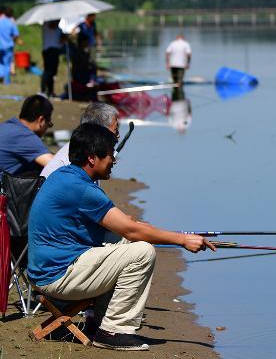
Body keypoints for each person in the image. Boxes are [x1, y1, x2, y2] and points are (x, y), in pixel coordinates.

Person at [27, 123, 216, 351]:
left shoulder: (66, 175)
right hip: (56, 276)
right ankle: (112, 331)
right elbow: (130, 229)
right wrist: (182, 239)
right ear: (92, 158)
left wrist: (138, 229)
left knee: (132, 242)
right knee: (142, 252)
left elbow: (123, 226)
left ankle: (100, 321)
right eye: (109, 155)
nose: (114, 161)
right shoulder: (82, 188)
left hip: (48, 269)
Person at [41, 102, 119, 179]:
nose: (118, 135)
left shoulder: (82, 147)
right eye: (116, 129)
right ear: (99, 130)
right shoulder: (82, 157)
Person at [0, 95, 54, 176]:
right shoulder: (25, 136)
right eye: (49, 124)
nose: (48, 127)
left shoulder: (7, 126)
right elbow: (56, 166)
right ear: (41, 120)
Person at [41, 20, 64, 97]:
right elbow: (52, 25)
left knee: (53, 73)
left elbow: (61, 41)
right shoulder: (46, 24)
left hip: (56, 51)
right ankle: (43, 90)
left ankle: (50, 91)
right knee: (48, 71)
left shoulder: (59, 30)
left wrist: (66, 36)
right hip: (48, 50)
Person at [165, 34, 191, 100]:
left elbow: (167, 53)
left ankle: (174, 96)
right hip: (181, 65)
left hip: (173, 64)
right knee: (179, 80)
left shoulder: (172, 43)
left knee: (174, 80)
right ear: (183, 38)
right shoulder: (186, 44)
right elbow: (189, 54)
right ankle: (179, 95)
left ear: (177, 38)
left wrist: (167, 63)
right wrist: (188, 63)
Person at [0, 7, 20, 84]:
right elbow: (16, 35)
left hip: (0, 45)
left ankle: (1, 74)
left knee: (1, 62)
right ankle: (7, 82)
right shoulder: (11, 22)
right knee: (7, 64)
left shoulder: (0, 21)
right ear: (11, 14)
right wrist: (11, 38)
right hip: (8, 46)